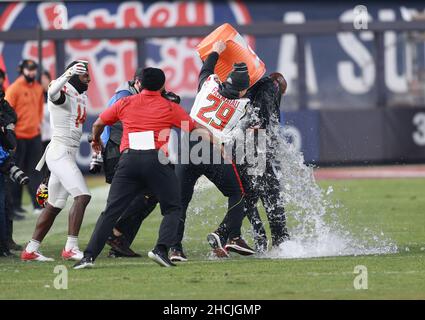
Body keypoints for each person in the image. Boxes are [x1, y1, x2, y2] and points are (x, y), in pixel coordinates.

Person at [73, 67, 207, 269]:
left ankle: (88, 257)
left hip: (128, 161)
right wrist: (217, 142)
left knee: (110, 212)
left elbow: (98, 123)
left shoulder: (125, 102)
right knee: (173, 207)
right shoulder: (169, 107)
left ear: (139, 83)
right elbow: (195, 129)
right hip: (156, 161)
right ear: (162, 85)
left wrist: (97, 141)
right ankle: (161, 250)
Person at [171, 40, 255, 261]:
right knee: (237, 194)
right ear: (243, 89)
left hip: (187, 145)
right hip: (211, 150)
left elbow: (206, 70)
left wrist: (216, 52)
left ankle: (175, 249)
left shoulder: (208, 84)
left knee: (180, 202)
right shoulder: (244, 104)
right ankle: (225, 233)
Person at [20, 60, 92, 262]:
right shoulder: (63, 88)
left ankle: (31, 249)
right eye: (85, 74)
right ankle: (71, 247)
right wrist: (67, 73)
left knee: (54, 204)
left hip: (65, 153)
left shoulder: (81, 94)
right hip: (60, 152)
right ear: (75, 74)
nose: (89, 78)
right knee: (83, 196)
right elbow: (52, 93)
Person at [220, 73, 290, 252]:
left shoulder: (237, 91)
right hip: (253, 149)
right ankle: (279, 239)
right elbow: (262, 124)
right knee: (269, 194)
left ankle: (254, 236)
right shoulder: (264, 92)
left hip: (242, 149)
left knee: (251, 195)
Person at [5, 59, 44, 216]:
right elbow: (7, 111)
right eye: (29, 69)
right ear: (22, 70)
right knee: (17, 171)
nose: (32, 72)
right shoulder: (14, 88)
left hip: (34, 135)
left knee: (36, 171)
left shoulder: (38, 88)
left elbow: (40, 109)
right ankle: (15, 206)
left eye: (33, 69)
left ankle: (39, 204)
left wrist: (37, 124)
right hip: (18, 136)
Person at [0, 71, 18, 257]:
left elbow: (13, 117)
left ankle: (6, 243)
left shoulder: (5, 108)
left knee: (5, 204)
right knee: (3, 203)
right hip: (3, 159)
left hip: (3, 159)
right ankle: (4, 245)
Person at [40, 71, 52, 151]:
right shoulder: (38, 95)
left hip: (52, 134)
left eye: (45, 78)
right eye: (42, 79)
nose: (43, 81)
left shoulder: (54, 94)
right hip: (40, 133)